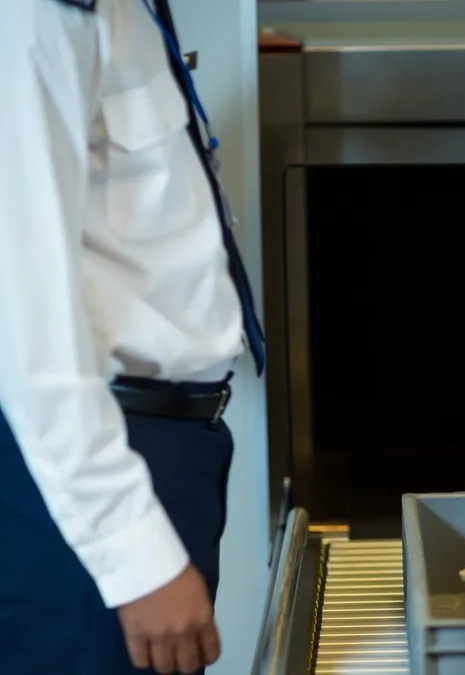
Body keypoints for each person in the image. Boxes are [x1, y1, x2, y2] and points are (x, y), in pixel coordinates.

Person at [0, 0, 265, 673]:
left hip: (170, 446)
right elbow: (22, 316)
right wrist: (134, 555)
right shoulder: (35, 14)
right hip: (93, 465)